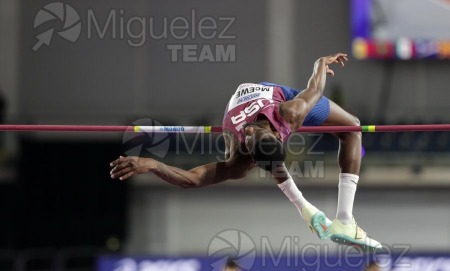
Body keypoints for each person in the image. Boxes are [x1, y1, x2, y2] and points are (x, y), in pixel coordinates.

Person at [110, 53, 381, 251]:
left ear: (278, 133)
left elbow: (315, 88)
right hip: (263, 99)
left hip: (278, 96)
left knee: (352, 128)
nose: (249, 132)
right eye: (251, 138)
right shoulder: (256, 142)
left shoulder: (282, 117)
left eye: (252, 135)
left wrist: (321, 62)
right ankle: (331, 218)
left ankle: (342, 219)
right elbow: (192, 180)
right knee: (352, 127)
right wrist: (320, 62)